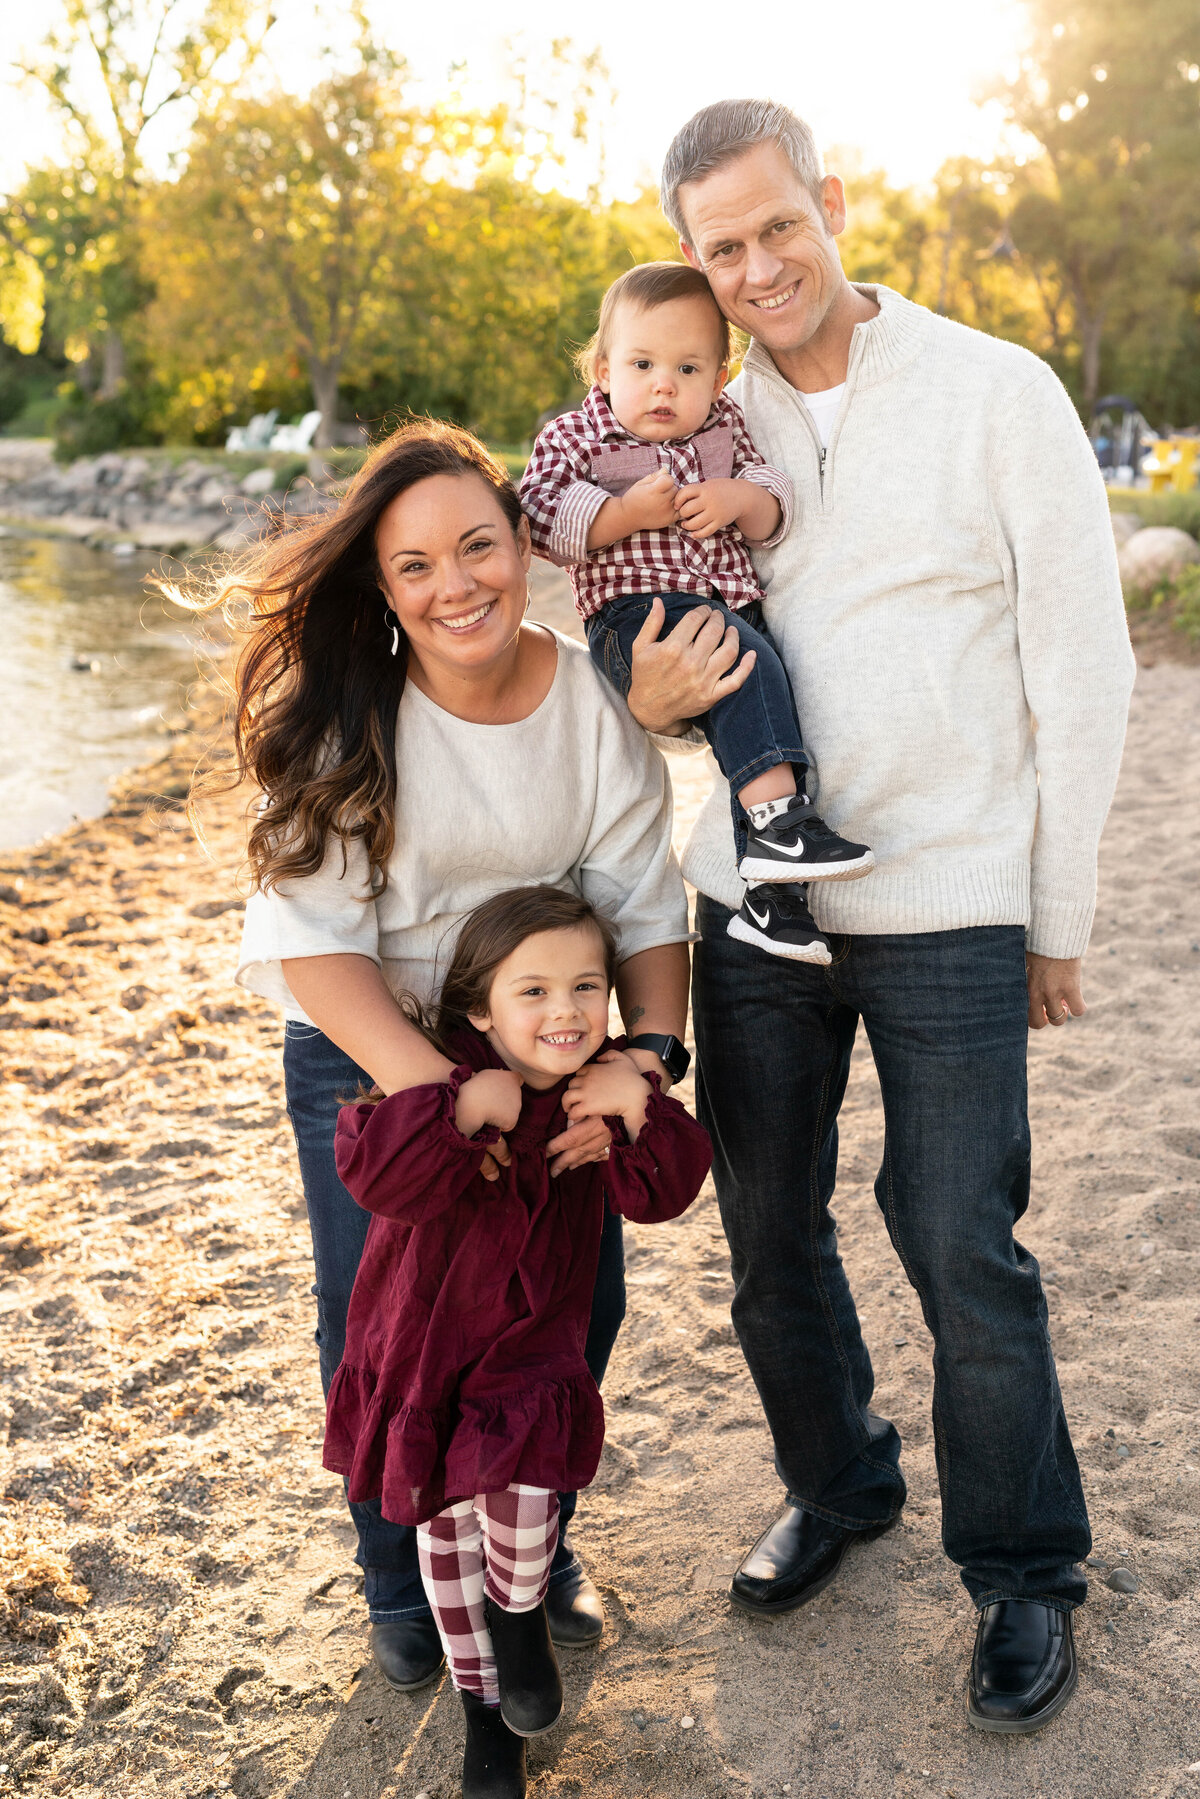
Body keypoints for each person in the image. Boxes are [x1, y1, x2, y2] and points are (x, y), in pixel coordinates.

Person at [618, 99, 1136, 1734]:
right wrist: (635, 694)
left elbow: (1084, 664)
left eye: (779, 227)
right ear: (695, 263)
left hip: (954, 891)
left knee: (958, 1231)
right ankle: (839, 1483)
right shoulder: (689, 418)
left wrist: (1056, 909)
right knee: (766, 1230)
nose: (758, 268)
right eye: (723, 247)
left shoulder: (998, 391)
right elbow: (626, 646)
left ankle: (1025, 1561)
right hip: (757, 899)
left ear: (834, 203)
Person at [201, 420, 696, 1694]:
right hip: (374, 1054)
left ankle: (530, 1560)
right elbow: (311, 943)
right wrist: (438, 1093)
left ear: (528, 545)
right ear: (381, 583)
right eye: (414, 564)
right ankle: (396, 1574)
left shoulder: (592, 695)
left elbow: (644, 901)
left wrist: (642, 1058)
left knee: (567, 1307)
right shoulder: (346, 716)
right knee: (379, 1314)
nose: (455, 583)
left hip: (544, 1048)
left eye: (478, 545)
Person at [325, 884, 711, 1798]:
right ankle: (483, 1715)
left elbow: (667, 1191)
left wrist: (639, 1092)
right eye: (531, 991)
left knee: (529, 1505)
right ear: (477, 1006)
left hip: (533, 1356)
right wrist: (460, 1108)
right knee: (446, 1533)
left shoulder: (596, 1091)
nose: (566, 1009)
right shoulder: (439, 1083)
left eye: (586, 986)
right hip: (429, 1356)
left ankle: (522, 1618)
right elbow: (375, 1174)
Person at [519, 260, 874, 965]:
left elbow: (771, 495)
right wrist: (621, 514)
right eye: (643, 363)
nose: (663, 385)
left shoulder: (725, 426)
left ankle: (775, 902)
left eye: (688, 369)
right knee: (752, 674)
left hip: (720, 604)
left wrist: (739, 502)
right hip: (634, 620)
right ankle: (780, 827)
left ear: (719, 378)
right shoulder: (577, 435)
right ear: (603, 368)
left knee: (768, 714)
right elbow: (539, 515)